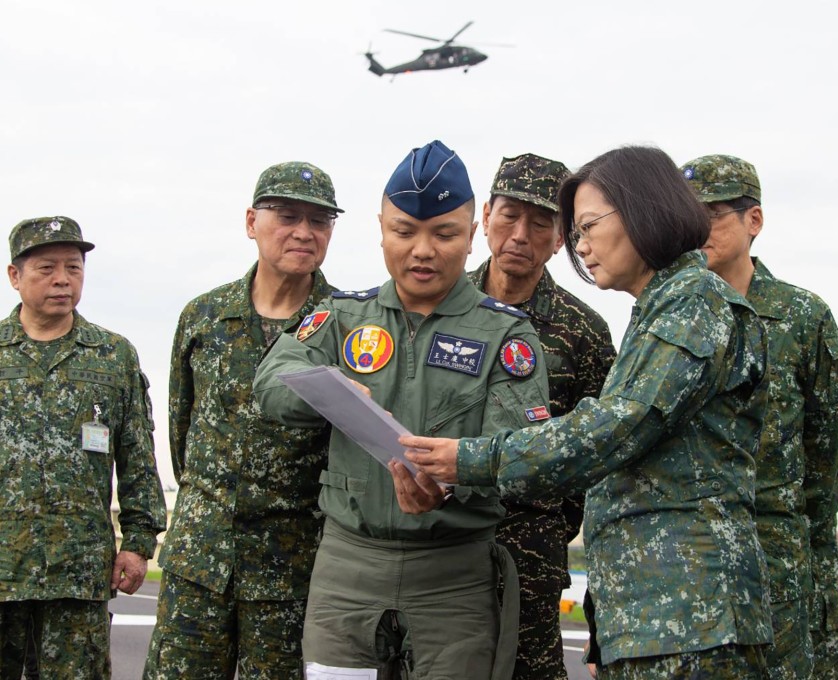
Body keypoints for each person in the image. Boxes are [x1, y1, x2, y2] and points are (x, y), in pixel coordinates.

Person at [393, 145, 774, 678]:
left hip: (689, 613)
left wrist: (470, 461)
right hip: (653, 611)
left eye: (588, 225)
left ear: (644, 209)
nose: (582, 246)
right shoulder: (663, 309)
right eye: (577, 232)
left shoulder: (693, 303)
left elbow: (611, 430)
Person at [253, 140, 552, 680]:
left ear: (471, 232)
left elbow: (523, 453)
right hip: (348, 569)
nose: (422, 251)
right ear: (381, 228)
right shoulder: (341, 317)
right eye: (404, 232)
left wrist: (457, 477)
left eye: (443, 234)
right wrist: (328, 391)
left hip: (454, 578)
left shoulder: (506, 334)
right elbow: (271, 383)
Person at [144, 162, 341, 678]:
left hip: (291, 571)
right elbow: (181, 431)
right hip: (198, 561)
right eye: (287, 215)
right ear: (252, 221)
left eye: (319, 220)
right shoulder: (204, 317)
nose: (303, 231)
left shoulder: (347, 326)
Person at [680, 154, 838, 679]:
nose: (698, 231)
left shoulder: (802, 317)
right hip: (692, 562)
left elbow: (834, 447)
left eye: (712, 215)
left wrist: (781, 519)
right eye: (688, 217)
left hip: (776, 563)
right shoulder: (672, 315)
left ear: (752, 221)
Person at [470, 153, 617, 680]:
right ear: (486, 215)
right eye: (509, 215)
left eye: (540, 222)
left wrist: (554, 528)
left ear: (561, 237)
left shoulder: (585, 333)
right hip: (437, 546)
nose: (520, 234)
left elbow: (605, 462)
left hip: (531, 557)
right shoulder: (438, 302)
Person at [0, 216, 166, 678]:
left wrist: (137, 543)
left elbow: (138, 458)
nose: (62, 280)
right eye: (46, 268)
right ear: (15, 276)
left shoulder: (113, 356)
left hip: (79, 573)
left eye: (73, 268)